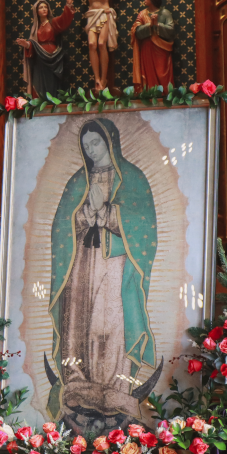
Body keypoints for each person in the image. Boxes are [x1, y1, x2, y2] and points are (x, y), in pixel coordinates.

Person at [46, 119, 157, 432]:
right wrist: (84, 214)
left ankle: (112, 389)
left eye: (95, 143)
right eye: (86, 146)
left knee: (107, 320)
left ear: (110, 140)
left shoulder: (132, 178)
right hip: (81, 262)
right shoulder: (77, 181)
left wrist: (108, 213)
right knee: (77, 320)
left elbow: (144, 224)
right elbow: (60, 226)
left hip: (113, 263)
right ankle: (78, 385)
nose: (91, 150)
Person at [43, 0, 154, 91]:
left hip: (104, 13)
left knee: (102, 44)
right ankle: (96, 78)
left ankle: (103, 78)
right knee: (91, 44)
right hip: (92, 14)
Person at [16, 0, 76, 99]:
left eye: (45, 7)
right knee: (38, 83)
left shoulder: (53, 22)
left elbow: (64, 19)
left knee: (52, 83)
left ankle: (52, 102)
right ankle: (40, 103)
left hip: (53, 58)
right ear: (36, 11)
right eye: (41, 7)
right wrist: (27, 44)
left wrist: (68, 5)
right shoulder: (35, 28)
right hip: (40, 60)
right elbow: (33, 43)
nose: (44, 9)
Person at [130, 0, 175, 89]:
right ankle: (150, 94)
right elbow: (136, 32)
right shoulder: (142, 14)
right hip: (147, 49)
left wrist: (157, 25)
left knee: (162, 73)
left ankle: (165, 95)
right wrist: (149, 25)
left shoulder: (165, 13)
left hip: (162, 49)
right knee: (149, 74)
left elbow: (171, 32)